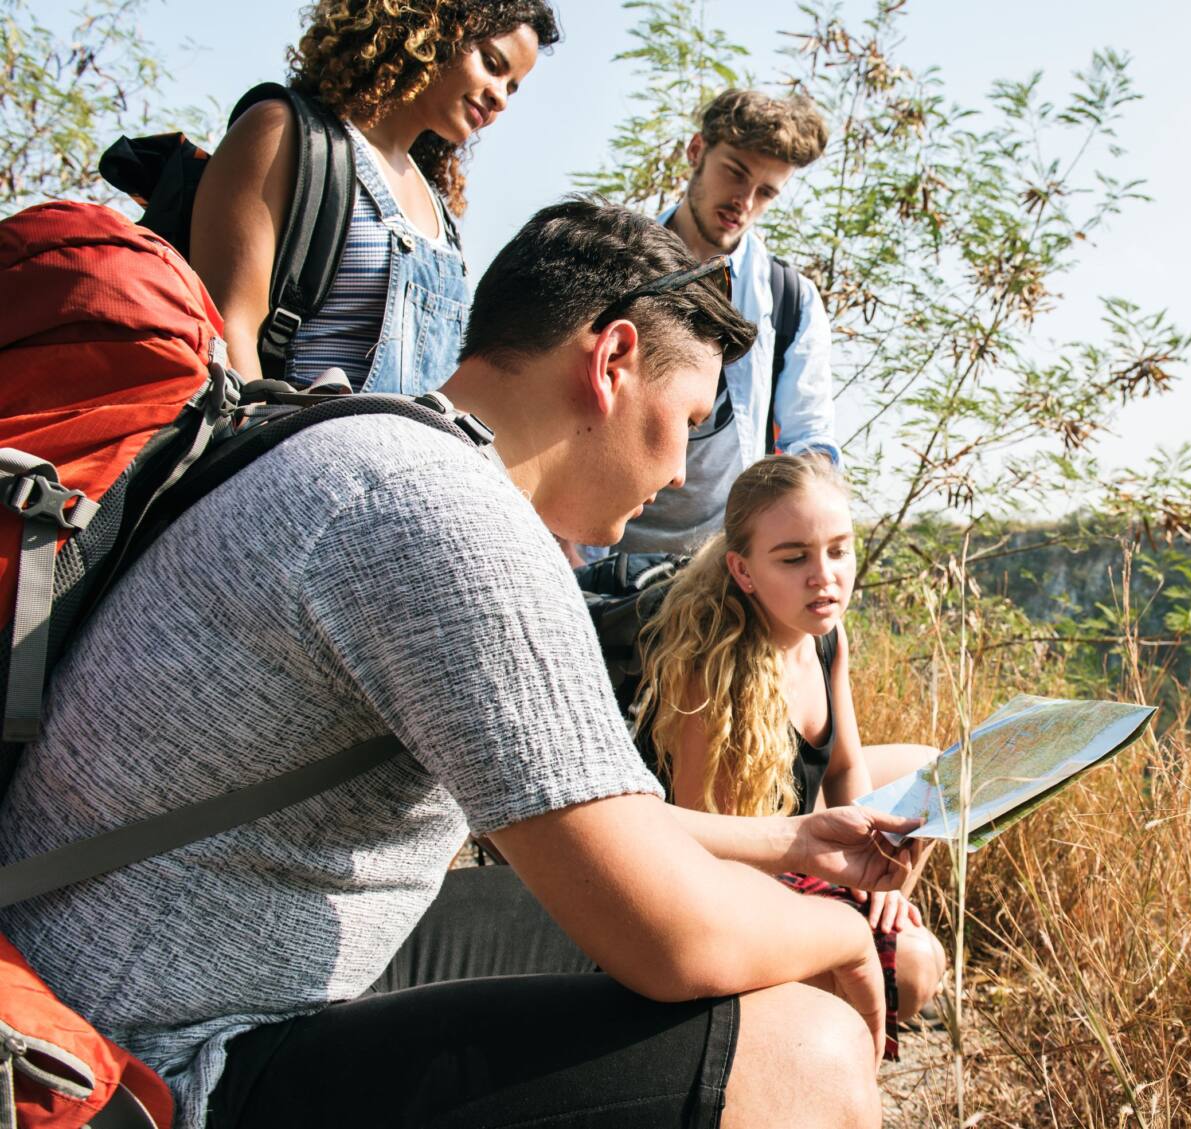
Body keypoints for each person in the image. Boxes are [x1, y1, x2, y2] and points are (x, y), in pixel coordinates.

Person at [0, 198, 917, 1129]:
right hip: (143, 1057)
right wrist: (841, 932)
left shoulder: (367, 438)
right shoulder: (451, 519)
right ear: (613, 362)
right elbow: (669, 937)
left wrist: (790, 843)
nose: (683, 471)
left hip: (143, 965)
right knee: (803, 1050)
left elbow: (606, 825)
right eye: (688, 416)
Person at [634, 454, 947, 1037]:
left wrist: (875, 876)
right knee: (917, 965)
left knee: (932, 776)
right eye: (794, 557)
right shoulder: (715, 668)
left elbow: (846, 768)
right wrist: (823, 913)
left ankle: (873, 931)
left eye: (838, 549)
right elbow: (706, 852)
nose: (824, 576)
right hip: (735, 866)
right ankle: (803, 1003)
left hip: (797, 830)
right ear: (744, 570)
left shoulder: (823, 635)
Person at [190, 0, 558, 392]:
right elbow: (227, 326)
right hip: (290, 444)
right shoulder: (286, 135)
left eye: (512, 87)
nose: (500, 96)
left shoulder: (440, 213)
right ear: (433, 32)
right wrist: (265, 441)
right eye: (491, 64)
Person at [604, 88, 841, 557]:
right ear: (697, 151)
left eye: (767, 192)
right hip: (599, 561)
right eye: (735, 173)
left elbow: (809, 442)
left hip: (722, 571)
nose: (744, 202)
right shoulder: (612, 265)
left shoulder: (789, 298)